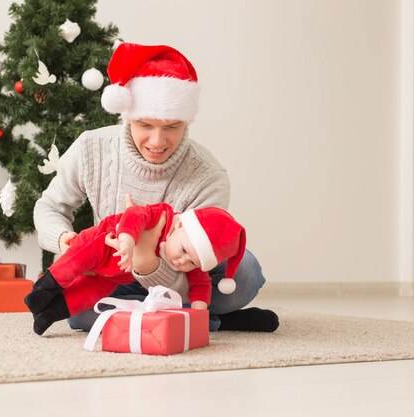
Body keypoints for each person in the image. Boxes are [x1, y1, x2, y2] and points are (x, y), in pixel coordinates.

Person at [33, 42, 279, 333]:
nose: (158, 141)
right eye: (145, 125)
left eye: (172, 127)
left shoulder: (208, 177)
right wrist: (64, 239)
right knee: (79, 314)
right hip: (111, 273)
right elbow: (49, 206)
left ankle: (164, 315)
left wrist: (147, 258)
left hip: (179, 277)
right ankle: (209, 320)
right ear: (127, 116)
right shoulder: (91, 148)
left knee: (245, 272)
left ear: (186, 122)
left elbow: (194, 272)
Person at [25, 202, 245, 335]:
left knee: (87, 295)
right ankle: (41, 292)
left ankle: (50, 315)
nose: (182, 262)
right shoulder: (162, 215)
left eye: (192, 262)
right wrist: (128, 241)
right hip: (105, 242)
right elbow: (136, 214)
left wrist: (198, 311)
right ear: (179, 226)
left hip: (116, 277)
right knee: (75, 262)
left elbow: (201, 281)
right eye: (184, 251)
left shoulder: (192, 255)